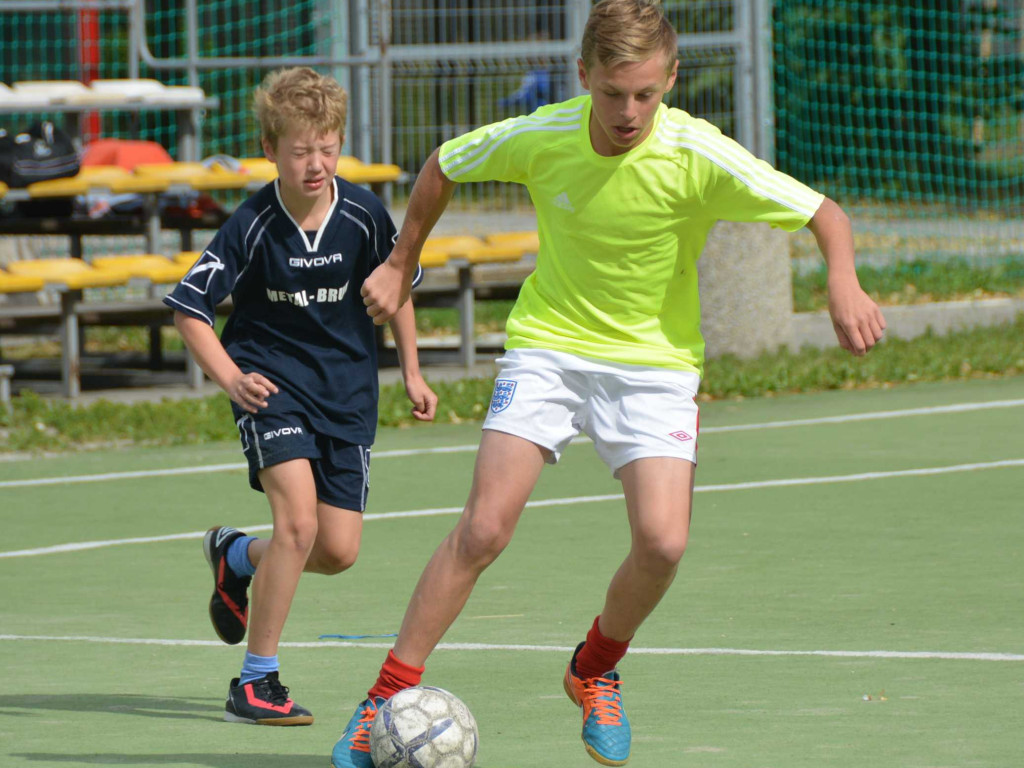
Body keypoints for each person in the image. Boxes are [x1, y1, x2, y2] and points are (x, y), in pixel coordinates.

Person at [333, 0, 886, 764]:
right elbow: (442, 166)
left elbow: (826, 213)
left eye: (647, 94)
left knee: (663, 543)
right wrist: (400, 263)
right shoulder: (544, 135)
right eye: (614, 92)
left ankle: (594, 668)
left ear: (670, 80)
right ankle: (382, 699)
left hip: (654, 367)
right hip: (548, 348)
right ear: (584, 75)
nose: (629, 112)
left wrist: (843, 279)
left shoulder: (697, 153)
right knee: (485, 528)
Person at [164, 67, 438, 726]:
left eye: (326, 146)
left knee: (338, 550)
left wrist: (412, 370)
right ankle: (256, 681)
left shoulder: (362, 212)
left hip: (346, 392)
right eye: (299, 151)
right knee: (299, 524)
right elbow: (188, 308)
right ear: (270, 149)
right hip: (271, 387)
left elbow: (394, 282)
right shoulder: (254, 223)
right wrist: (232, 378)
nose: (314, 163)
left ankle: (237, 556)